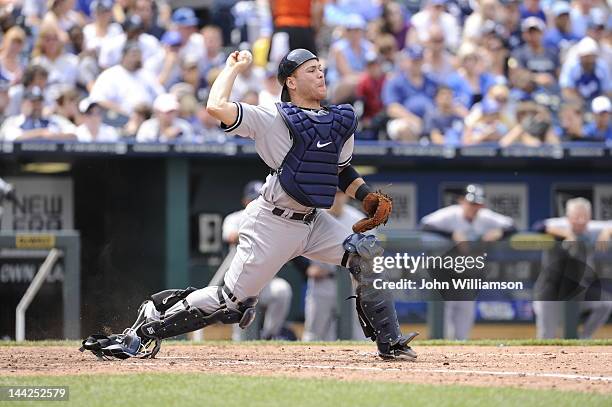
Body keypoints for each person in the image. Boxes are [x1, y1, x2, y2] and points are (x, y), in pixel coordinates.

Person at [82, 48, 417, 361]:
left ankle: (389, 344)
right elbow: (216, 106)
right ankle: (145, 327)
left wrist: (367, 196)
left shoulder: (339, 120)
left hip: (314, 222)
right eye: (311, 70)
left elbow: (341, 171)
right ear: (291, 81)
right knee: (231, 305)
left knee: (367, 254)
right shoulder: (272, 116)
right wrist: (232, 68)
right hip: (273, 222)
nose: (320, 75)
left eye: (321, 69)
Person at [420, 184, 516, 340]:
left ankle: (460, 351)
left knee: (465, 313)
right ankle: (442, 349)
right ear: (462, 201)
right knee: (445, 317)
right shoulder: (451, 214)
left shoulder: (485, 216)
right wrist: (452, 234)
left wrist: (500, 232)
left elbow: (512, 226)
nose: (474, 208)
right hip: (444, 271)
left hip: (466, 272)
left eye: (477, 204)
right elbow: (425, 224)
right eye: (471, 203)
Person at [223, 181, 294, 341]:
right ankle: (240, 343)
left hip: (266, 281)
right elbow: (231, 236)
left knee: (282, 290)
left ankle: (269, 335)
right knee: (241, 331)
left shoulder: (273, 218)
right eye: (252, 199)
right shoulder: (235, 218)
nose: (255, 202)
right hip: (241, 280)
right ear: (245, 201)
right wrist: (259, 233)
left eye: (259, 198)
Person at [532, 197, 612, 339]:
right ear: (568, 217)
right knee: (546, 338)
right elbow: (538, 226)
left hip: (577, 292)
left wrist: (607, 231)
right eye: (576, 217)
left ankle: (584, 338)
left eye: (584, 217)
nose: (581, 221)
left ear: (590, 217)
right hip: (551, 292)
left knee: (605, 304)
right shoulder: (560, 225)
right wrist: (566, 234)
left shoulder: (593, 228)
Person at [303, 191, 367, 341]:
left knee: (357, 331)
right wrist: (305, 268)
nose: (336, 197)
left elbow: (371, 252)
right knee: (314, 331)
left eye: (339, 193)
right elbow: (296, 245)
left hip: (353, 282)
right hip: (323, 282)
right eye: (333, 192)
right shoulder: (313, 216)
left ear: (346, 195)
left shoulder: (358, 219)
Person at [89, 42, 163, 116]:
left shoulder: (146, 74)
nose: (138, 59)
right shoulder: (111, 75)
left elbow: (161, 95)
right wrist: (124, 112)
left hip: (148, 117)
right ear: (124, 56)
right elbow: (97, 99)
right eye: (134, 55)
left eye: (139, 55)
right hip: (120, 119)